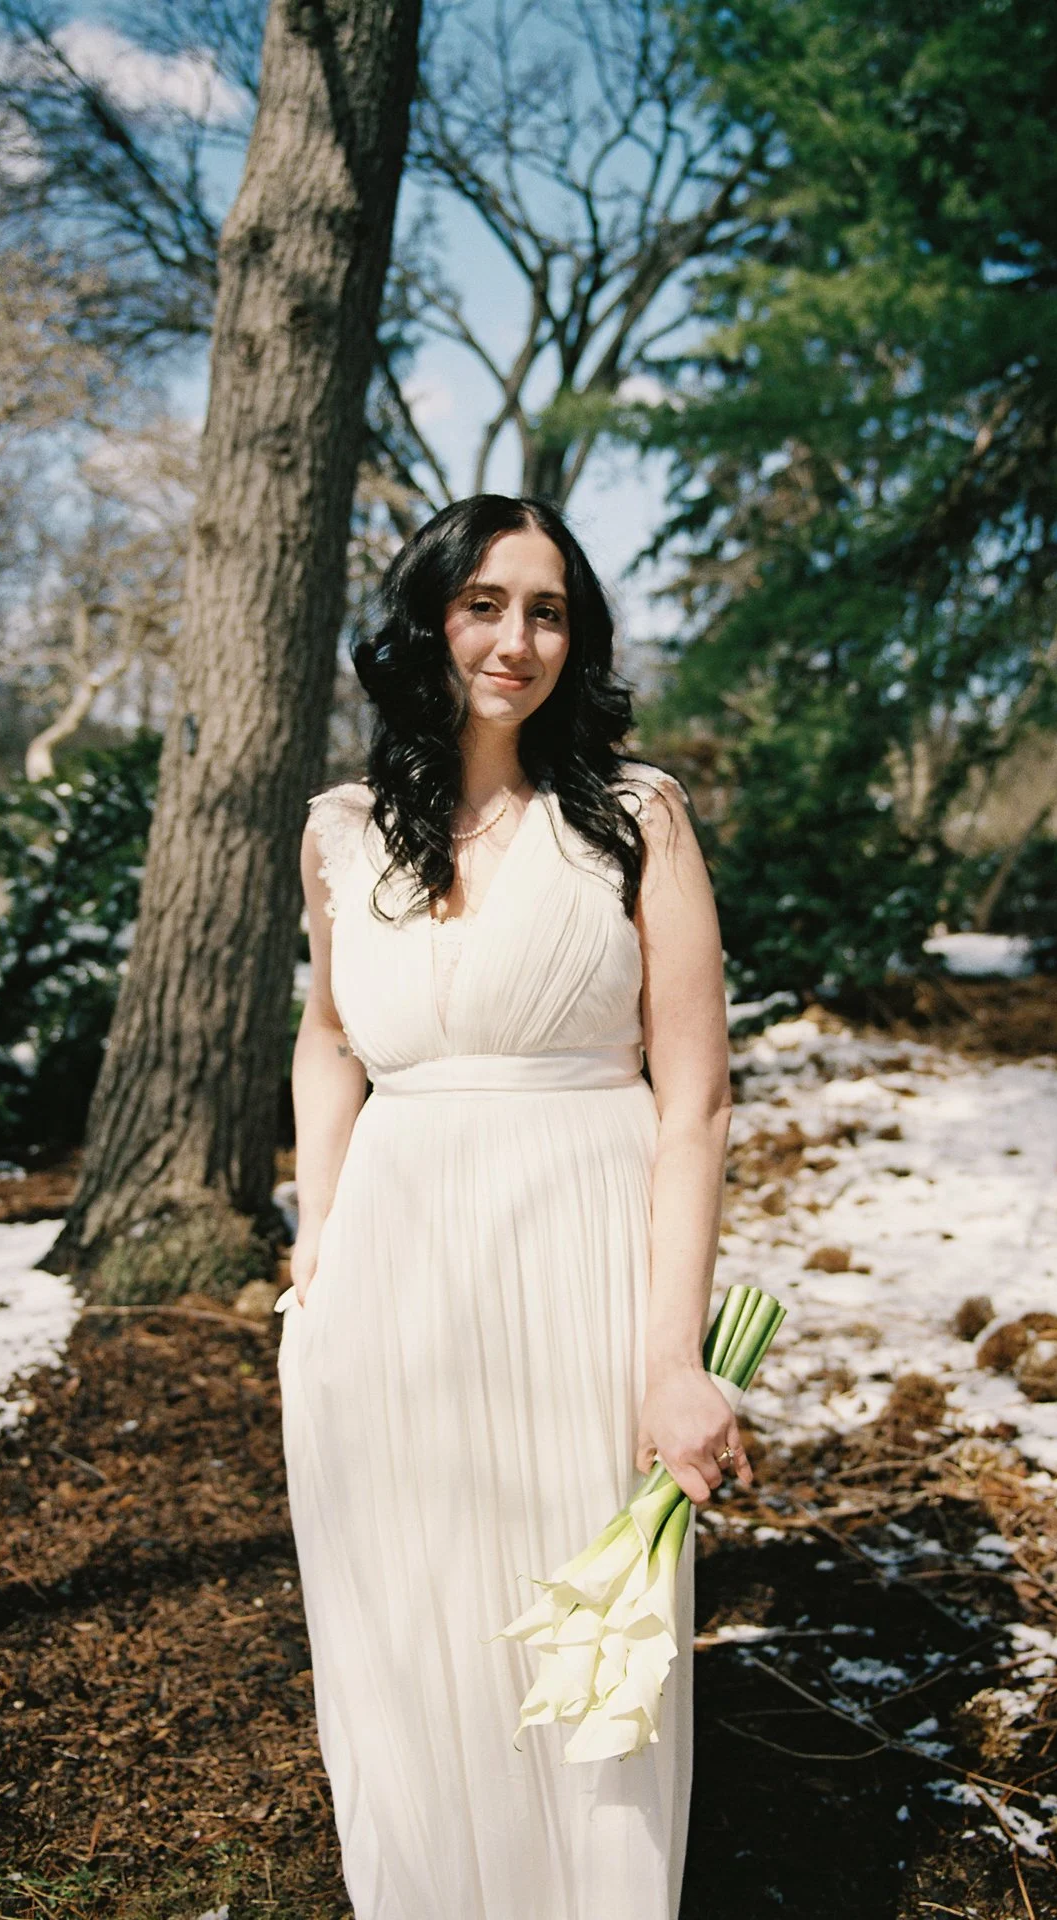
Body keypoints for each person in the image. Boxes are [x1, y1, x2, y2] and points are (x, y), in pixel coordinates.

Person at [277, 493, 739, 1920]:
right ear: (430, 618)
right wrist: (319, 1249)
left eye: (546, 609)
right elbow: (326, 1040)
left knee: (584, 1646)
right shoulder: (344, 834)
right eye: (485, 603)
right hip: (386, 1283)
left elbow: (697, 1101)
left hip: (578, 1265)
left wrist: (672, 1364)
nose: (515, 638)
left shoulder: (633, 818)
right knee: (406, 1637)